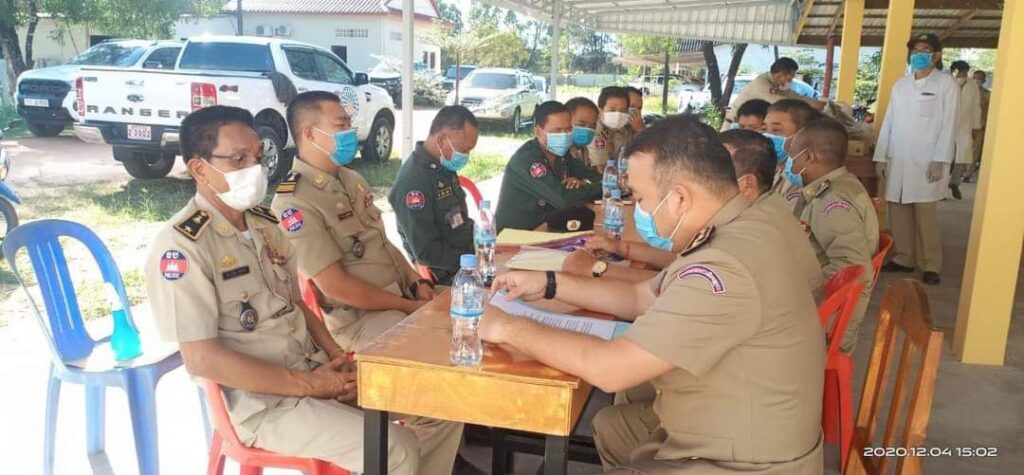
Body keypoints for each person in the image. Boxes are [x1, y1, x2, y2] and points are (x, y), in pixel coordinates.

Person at [482, 115, 824, 474]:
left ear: (679, 197)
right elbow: (642, 297)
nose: (641, 211)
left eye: (641, 199)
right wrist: (551, 283)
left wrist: (506, 327)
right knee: (613, 427)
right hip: (730, 427)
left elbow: (610, 369)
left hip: (737, 462)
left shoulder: (724, 266)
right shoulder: (741, 227)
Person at [145, 105, 461, 475]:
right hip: (263, 404)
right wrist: (310, 384)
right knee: (395, 448)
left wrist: (337, 357)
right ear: (200, 169)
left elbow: (298, 306)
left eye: (258, 157)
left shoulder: (265, 225)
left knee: (443, 406)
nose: (255, 169)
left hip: (313, 371)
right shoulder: (182, 247)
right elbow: (202, 360)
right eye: (238, 159)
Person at [271, 91, 437, 351]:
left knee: (465, 311)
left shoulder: (352, 180)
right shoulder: (293, 203)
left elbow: (382, 243)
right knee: (433, 345)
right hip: (360, 320)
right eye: (341, 125)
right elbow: (336, 287)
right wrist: (407, 307)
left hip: (401, 297)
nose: (349, 131)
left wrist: (417, 282)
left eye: (349, 123)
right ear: (311, 134)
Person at [788, 119, 879, 351]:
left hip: (825, 320)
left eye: (793, 157)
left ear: (809, 157)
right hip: (820, 306)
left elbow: (854, 268)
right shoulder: (839, 185)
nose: (791, 164)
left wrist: (794, 288)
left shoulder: (832, 201)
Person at [873, 33, 957, 286]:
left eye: (925, 50)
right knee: (898, 210)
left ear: (936, 55)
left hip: (927, 160)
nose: (919, 55)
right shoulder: (901, 85)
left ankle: (931, 264)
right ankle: (904, 258)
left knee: (924, 215)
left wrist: (940, 159)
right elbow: (889, 121)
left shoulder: (946, 84)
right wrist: (881, 156)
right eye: (915, 50)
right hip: (898, 158)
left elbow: (949, 124)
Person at [720, 128, 824, 292]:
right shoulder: (770, 206)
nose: (704, 178)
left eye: (715, 172)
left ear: (747, 184)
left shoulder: (748, 229)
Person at [388, 106, 479, 286]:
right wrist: (473, 262)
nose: (466, 156)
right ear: (442, 140)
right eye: (464, 150)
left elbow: (460, 221)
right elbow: (427, 253)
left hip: (468, 257)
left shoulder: (443, 166)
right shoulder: (413, 182)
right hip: (448, 274)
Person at [495, 101, 603, 231]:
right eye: (557, 131)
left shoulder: (562, 155)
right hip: (518, 234)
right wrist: (596, 188)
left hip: (547, 226)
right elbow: (563, 199)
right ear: (538, 131)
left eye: (568, 129)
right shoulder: (527, 160)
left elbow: (596, 178)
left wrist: (585, 183)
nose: (564, 135)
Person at [725, 57, 823, 126]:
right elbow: (781, 103)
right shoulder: (761, 83)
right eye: (789, 79)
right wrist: (810, 108)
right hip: (735, 124)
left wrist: (817, 104)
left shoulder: (778, 84)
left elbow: (794, 96)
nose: (790, 81)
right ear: (780, 75)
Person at [765, 99, 820, 207]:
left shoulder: (801, 179)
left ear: (802, 135)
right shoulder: (774, 169)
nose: (767, 136)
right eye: (764, 129)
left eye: (776, 130)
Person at [947, 60, 982, 200]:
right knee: (945, 156)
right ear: (953, 71)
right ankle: (940, 188)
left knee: (962, 156)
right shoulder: (946, 82)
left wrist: (976, 126)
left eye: (965, 72)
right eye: (960, 72)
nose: (962, 75)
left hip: (965, 126)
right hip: (947, 124)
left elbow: (976, 106)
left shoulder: (972, 85)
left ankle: (954, 183)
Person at [588, 86, 635, 169]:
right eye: (612, 110)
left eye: (623, 111)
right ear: (600, 111)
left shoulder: (628, 129)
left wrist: (640, 130)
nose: (618, 114)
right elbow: (602, 168)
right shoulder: (594, 132)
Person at [964, 70, 990, 183]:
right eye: (975, 78)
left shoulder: (988, 95)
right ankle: (959, 171)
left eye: (979, 78)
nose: (977, 80)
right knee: (963, 149)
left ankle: (967, 174)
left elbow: (989, 112)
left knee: (975, 151)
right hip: (965, 126)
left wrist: (984, 126)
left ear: (984, 80)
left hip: (980, 126)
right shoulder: (966, 92)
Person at [565, 96, 600, 167]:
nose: (587, 130)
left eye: (592, 126)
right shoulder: (557, 152)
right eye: (581, 125)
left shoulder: (583, 149)